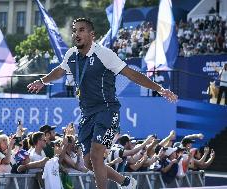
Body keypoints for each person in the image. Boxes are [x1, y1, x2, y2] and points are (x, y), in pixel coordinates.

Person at [27, 18, 178, 189]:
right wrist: (42, 80)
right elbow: (60, 70)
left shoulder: (104, 54)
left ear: (92, 35)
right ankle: (126, 182)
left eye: (81, 30)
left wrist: (159, 89)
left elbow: (131, 74)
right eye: (75, 30)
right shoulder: (71, 55)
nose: (76, 34)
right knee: (88, 163)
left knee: (97, 155)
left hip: (107, 110)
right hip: (87, 114)